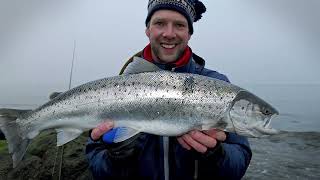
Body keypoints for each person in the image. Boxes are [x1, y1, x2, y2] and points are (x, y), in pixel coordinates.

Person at [86, 0, 252, 179]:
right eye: (160, 23)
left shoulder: (218, 84)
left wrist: (216, 155)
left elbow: (238, 165)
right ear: (148, 30)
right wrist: (116, 156)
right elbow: (97, 168)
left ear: (189, 33)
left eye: (179, 25)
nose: (169, 33)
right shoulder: (116, 90)